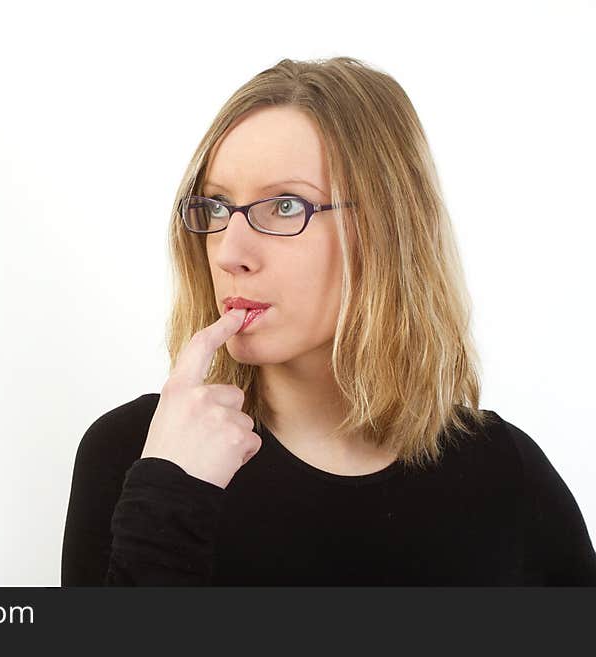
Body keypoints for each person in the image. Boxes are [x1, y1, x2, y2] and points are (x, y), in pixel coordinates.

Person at [60, 56, 596, 585]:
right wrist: (170, 499)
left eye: (287, 206)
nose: (229, 252)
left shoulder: (506, 474)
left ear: (388, 231)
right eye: (218, 208)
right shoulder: (137, 453)